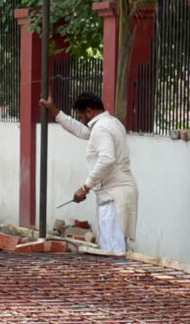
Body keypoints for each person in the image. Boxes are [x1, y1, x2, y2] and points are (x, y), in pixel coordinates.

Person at [39, 92, 138, 254]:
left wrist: (85, 187)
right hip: (119, 193)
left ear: (90, 112)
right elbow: (80, 130)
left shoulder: (101, 128)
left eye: (81, 116)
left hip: (114, 196)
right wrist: (54, 111)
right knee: (114, 249)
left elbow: (106, 159)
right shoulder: (111, 123)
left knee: (113, 252)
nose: (80, 120)